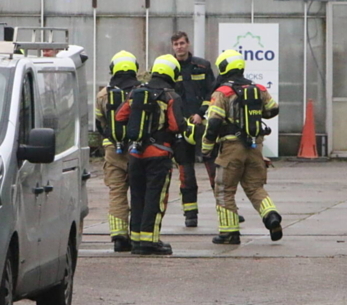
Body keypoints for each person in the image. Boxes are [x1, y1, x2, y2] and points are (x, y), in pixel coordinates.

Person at [201, 49, 283, 245]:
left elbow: (213, 123)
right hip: (255, 147)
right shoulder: (258, 89)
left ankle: (229, 233)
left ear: (223, 68)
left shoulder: (222, 92)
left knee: (224, 190)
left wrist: (206, 148)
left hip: (231, 148)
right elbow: (273, 110)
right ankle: (271, 215)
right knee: (255, 187)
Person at [115, 54, 187, 256]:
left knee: (137, 197)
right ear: (173, 72)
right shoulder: (171, 96)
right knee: (155, 198)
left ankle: (137, 239)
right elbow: (176, 125)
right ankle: (150, 240)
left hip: (135, 154)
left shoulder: (137, 91)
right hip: (159, 154)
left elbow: (120, 116)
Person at [94, 50, 140, 253]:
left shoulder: (103, 94)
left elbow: (99, 124)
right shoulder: (142, 91)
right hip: (139, 150)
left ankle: (119, 236)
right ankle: (140, 234)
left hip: (113, 149)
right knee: (140, 192)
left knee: (117, 192)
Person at [169, 31, 216, 227]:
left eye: (182, 43)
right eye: (176, 44)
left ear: (188, 44)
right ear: (172, 47)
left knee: (213, 167)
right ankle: (190, 214)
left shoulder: (202, 66)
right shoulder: (168, 67)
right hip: (180, 128)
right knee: (185, 171)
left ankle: (226, 207)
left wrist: (201, 114)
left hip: (202, 126)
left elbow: (212, 93)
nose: (179, 47)